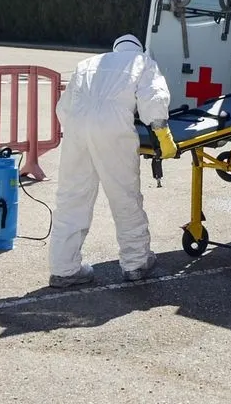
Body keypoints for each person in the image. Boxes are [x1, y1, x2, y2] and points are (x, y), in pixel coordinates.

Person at [48, 34, 178, 288]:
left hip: (76, 130)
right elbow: (154, 95)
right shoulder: (142, 61)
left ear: (114, 49)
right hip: (113, 129)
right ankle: (136, 263)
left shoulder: (87, 64)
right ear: (137, 49)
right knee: (124, 196)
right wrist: (160, 128)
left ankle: (63, 269)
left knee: (71, 197)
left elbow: (63, 108)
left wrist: (82, 132)